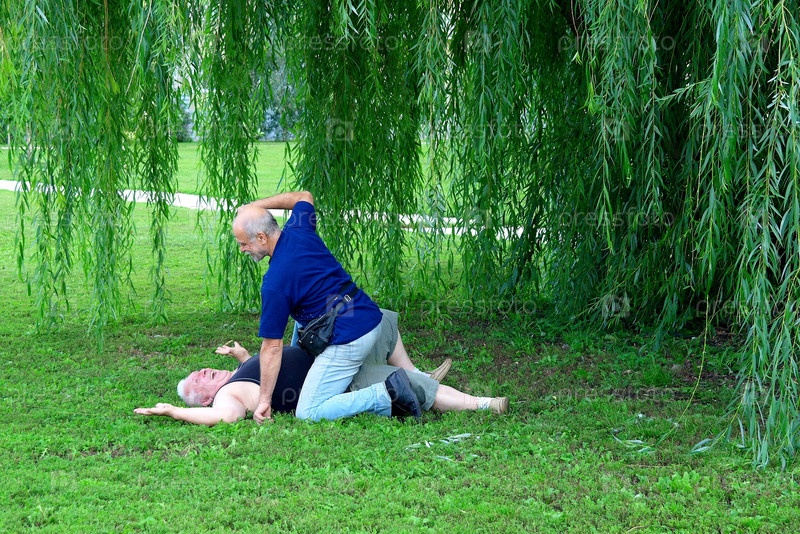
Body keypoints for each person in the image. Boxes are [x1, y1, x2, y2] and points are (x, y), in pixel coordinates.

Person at [232, 191, 419, 423]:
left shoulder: (275, 283)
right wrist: (254, 206)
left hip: (351, 338)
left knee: (308, 412)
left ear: (261, 237)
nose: (242, 249)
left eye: (243, 243)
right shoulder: (299, 230)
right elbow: (304, 197)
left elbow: (271, 347)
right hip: (368, 315)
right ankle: (305, 369)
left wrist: (264, 400)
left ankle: (387, 393)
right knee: (302, 314)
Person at [134, 331, 509, 426]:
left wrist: (243, 357)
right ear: (204, 398)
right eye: (198, 379)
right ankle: (484, 404)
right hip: (335, 383)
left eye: (200, 370)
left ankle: (417, 372)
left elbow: (265, 371)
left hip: (332, 359)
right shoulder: (226, 398)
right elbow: (223, 417)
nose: (202, 371)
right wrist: (173, 411)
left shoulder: (238, 375)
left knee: (377, 323)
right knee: (414, 388)